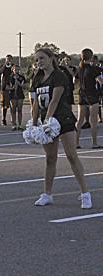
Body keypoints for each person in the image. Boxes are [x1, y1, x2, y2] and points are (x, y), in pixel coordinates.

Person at [31, 48, 92, 209]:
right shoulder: (37, 78)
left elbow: (55, 100)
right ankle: (47, 194)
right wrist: (34, 123)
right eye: (36, 60)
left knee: (71, 156)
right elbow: (36, 103)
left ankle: (85, 193)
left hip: (62, 119)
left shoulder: (59, 76)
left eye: (42, 58)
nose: (39, 62)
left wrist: (48, 121)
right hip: (46, 121)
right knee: (50, 158)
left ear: (51, 59)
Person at [75, 48, 102, 149]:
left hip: (82, 94)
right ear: (91, 56)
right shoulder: (93, 69)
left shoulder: (79, 68)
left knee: (80, 120)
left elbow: (75, 82)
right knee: (93, 121)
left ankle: (76, 142)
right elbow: (100, 80)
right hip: (92, 94)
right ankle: (94, 143)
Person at [9, 64, 26, 130]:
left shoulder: (21, 77)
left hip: (20, 94)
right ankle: (13, 124)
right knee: (13, 110)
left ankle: (20, 124)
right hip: (12, 94)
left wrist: (19, 83)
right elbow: (7, 87)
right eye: (15, 69)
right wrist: (12, 88)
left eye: (18, 69)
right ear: (12, 70)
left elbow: (24, 86)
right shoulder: (10, 77)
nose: (16, 70)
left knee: (19, 109)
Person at [0, 55, 14, 126]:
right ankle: (3, 119)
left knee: (13, 104)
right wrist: (5, 65)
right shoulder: (3, 66)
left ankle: (12, 119)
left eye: (10, 59)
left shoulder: (13, 66)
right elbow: (0, 72)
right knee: (4, 104)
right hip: (4, 87)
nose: (9, 60)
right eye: (7, 59)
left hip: (12, 86)